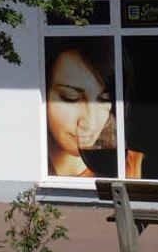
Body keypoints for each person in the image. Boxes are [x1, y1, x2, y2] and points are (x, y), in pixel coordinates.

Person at [44, 39, 141, 179]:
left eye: (104, 99)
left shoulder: (132, 167)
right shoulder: (23, 162)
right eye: (71, 97)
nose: (90, 121)